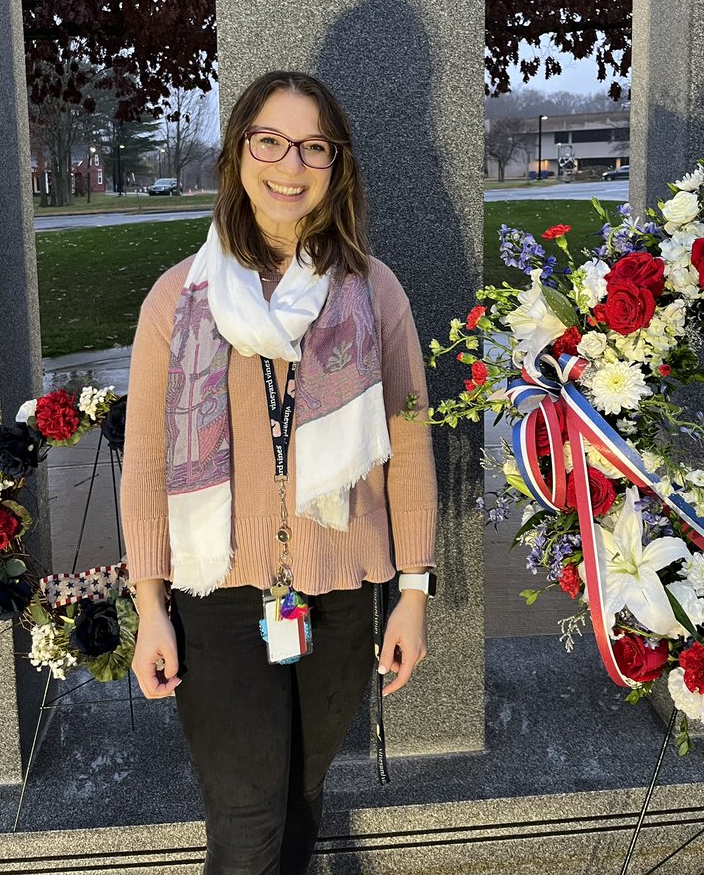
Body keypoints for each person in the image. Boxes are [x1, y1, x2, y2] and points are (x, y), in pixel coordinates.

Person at [121, 71, 437, 875]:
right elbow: (149, 467)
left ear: (337, 165)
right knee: (247, 816)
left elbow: (409, 445)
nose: (289, 164)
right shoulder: (178, 299)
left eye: (313, 147)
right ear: (238, 154)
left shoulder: (373, 290)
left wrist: (411, 595)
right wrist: (149, 608)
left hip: (336, 597)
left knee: (298, 802)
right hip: (218, 598)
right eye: (270, 140)